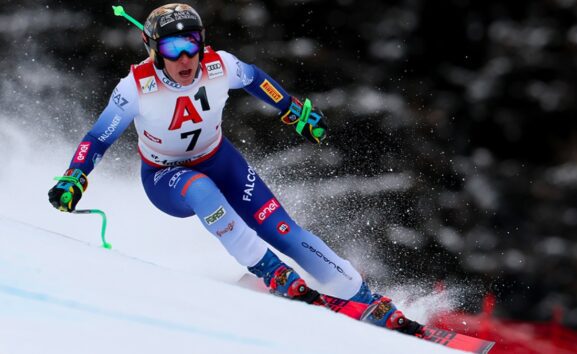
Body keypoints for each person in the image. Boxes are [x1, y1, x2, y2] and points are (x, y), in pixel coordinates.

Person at [47, 3, 422, 334]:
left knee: (284, 230)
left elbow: (256, 79)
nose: (184, 58)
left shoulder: (219, 65)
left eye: (191, 44)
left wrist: (293, 111)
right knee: (201, 190)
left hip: (220, 160)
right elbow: (98, 137)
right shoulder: (136, 87)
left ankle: (362, 295)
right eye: (172, 49)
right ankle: (269, 269)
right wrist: (75, 177)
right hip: (166, 177)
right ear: (153, 51)